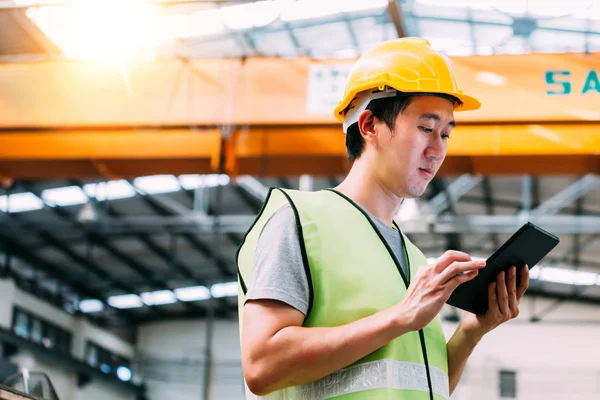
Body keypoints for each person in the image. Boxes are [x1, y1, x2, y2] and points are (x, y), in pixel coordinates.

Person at [236, 37, 529, 400]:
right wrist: (402, 315)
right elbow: (262, 366)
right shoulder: (299, 221)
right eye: (426, 128)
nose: (437, 150)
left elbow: (419, 385)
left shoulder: (412, 257)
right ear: (370, 125)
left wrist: (472, 331)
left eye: (446, 133)